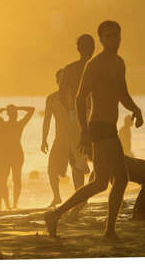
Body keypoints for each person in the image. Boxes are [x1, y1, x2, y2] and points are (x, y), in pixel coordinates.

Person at [44, 20, 144, 240]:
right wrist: (84, 131)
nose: (113, 39)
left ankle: (56, 214)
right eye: (108, 36)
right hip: (98, 126)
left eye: (116, 35)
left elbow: (122, 94)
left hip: (108, 126)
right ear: (101, 40)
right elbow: (80, 98)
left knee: (100, 182)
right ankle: (109, 230)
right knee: (122, 178)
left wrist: (136, 110)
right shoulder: (95, 65)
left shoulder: (118, 63)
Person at [58, 34, 96, 182]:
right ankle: (93, 188)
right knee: (101, 154)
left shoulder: (69, 69)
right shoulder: (98, 66)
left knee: (77, 159)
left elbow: (61, 94)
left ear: (78, 49)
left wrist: (70, 111)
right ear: (93, 48)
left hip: (76, 114)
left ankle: (80, 197)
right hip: (95, 112)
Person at [41, 69, 72, 207]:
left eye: (66, 79)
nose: (63, 82)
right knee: (51, 170)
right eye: (61, 79)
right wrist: (43, 140)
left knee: (78, 169)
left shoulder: (75, 95)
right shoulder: (52, 98)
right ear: (57, 81)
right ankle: (57, 197)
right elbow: (46, 120)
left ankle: (80, 198)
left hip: (75, 137)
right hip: (59, 139)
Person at [0, 104, 34, 209]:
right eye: (13, 113)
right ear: (9, 114)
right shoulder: (4, 125)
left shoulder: (19, 124)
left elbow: (32, 110)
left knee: (16, 180)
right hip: (6, 155)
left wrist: (17, 108)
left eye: (15, 113)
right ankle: (7, 204)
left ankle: (14, 204)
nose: (15, 115)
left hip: (17, 155)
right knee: (4, 180)